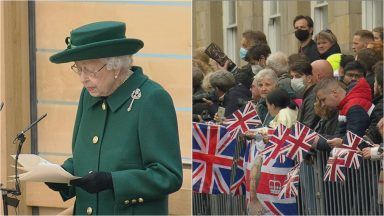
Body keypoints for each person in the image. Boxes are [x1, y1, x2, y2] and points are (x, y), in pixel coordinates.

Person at [45, 21, 183, 215]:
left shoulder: (151, 99)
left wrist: (112, 181)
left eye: (90, 70)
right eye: (78, 69)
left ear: (116, 66)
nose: (82, 79)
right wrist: (61, 176)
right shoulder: (89, 95)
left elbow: (168, 175)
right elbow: (86, 157)